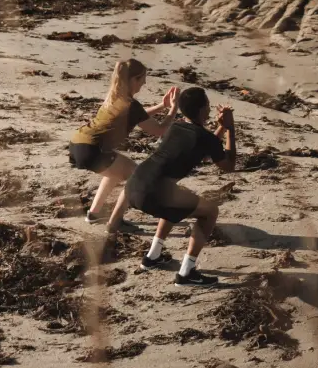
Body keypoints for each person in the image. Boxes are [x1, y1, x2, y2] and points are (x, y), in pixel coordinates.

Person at [127, 86, 236, 287]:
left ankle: (153, 256)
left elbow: (204, 145)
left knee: (175, 200)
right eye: (208, 106)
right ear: (203, 110)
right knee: (210, 212)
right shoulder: (205, 138)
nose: (210, 109)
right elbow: (228, 166)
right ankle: (187, 273)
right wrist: (230, 129)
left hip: (135, 184)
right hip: (154, 191)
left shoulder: (175, 127)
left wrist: (220, 128)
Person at [69, 58, 179, 234]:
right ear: (134, 79)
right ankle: (115, 222)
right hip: (92, 149)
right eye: (142, 80)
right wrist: (173, 109)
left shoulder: (114, 97)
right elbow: (159, 130)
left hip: (78, 144)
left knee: (115, 172)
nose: (143, 84)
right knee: (136, 175)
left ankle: (94, 214)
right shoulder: (130, 104)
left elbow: (139, 117)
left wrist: (162, 106)